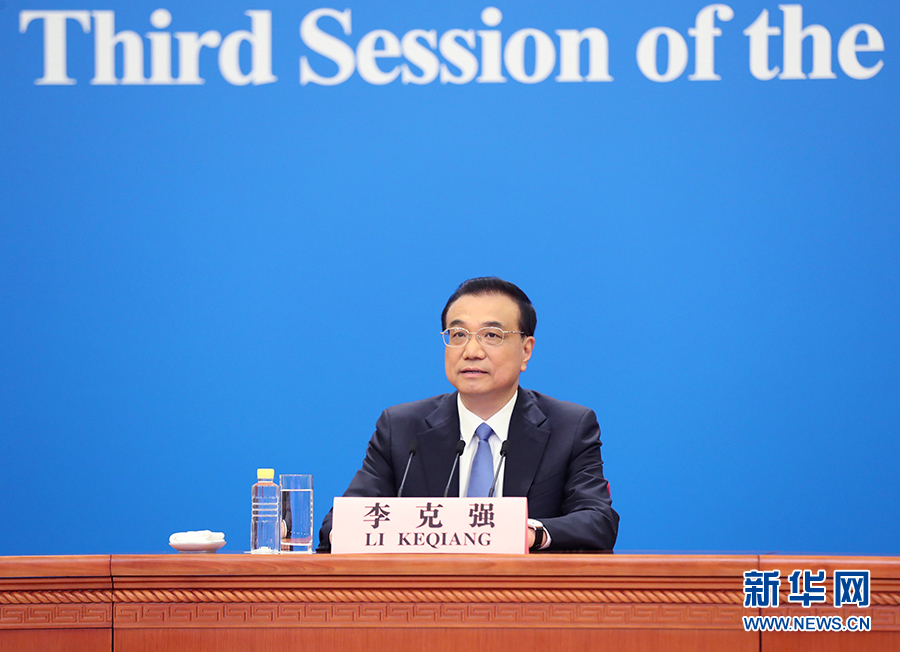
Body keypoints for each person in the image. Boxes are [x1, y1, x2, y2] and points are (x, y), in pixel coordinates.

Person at [317, 277, 618, 551]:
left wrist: (529, 533)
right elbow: (339, 523)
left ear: (526, 351)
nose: (471, 351)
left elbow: (598, 521)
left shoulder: (569, 427)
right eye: (458, 334)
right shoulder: (402, 428)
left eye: (491, 335)